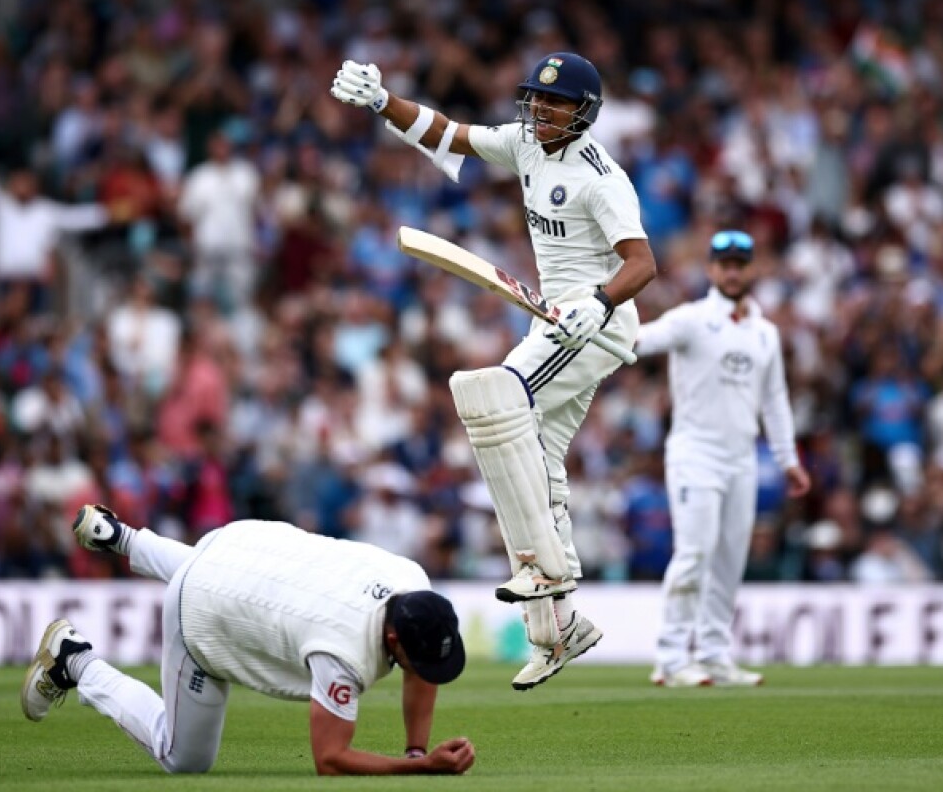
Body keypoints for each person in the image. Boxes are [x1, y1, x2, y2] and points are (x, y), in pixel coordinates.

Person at [331, 53, 657, 689]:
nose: (541, 109)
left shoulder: (602, 178)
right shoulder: (525, 144)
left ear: (585, 112)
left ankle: (543, 565)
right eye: (537, 98)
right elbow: (450, 134)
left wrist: (598, 303)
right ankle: (559, 627)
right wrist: (382, 102)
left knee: (495, 398)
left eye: (556, 102)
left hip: (594, 323)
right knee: (538, 456)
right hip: (553, 321)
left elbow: (643, 263)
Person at [21, 505, 475, 777]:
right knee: (184, 760)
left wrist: (417, 747)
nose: (424, 672)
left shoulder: (411, 581)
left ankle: (118, 536)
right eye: (416, 659)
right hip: (200, 610)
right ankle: (75, 661)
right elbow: (331, 759)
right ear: (393, 637)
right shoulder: (343, 652)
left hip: (244, 541)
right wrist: (421, 767)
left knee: (217, 568)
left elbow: (419, 661)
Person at [634, 230, 811, 687]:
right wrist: (602, 320)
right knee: (694, 554)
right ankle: (671, 658)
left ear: (753, 269)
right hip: (695, 454)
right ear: (711, 269)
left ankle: (713, 654)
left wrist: (787, 459)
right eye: (725, 264)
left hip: (742, 459)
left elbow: (774, 400)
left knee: (730, 561)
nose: (732, 272)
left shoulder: (764, 333)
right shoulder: (691, 320)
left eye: (740, 264)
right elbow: (639, 341)